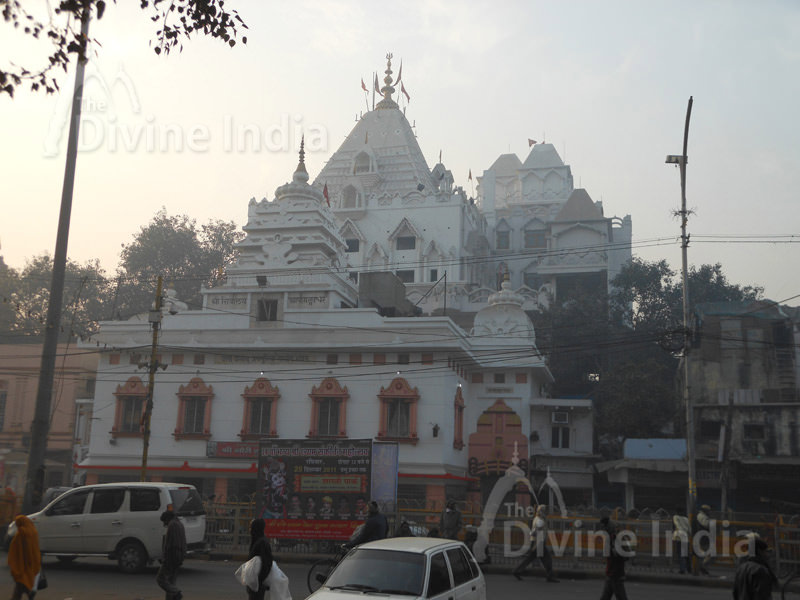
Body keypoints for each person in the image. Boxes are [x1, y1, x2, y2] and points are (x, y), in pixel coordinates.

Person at [512, 505, 559, 583]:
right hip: (539, 542)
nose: (546, 512)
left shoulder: (538, 519)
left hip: (538, 542)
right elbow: (535, 532)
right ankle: (549, 576)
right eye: (544, 510)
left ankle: (517, 571)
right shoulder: (540, 520)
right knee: (547, 559)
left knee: (532, 559)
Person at [7, 515, 41, 600]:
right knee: (25, 583)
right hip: (32, 563)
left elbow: (16, 550)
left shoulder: (21, 533)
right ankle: (29, 593)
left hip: (21, 565)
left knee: (21, 584)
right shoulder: (34, 532)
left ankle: (29, 593)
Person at [156, 510, 187, 600]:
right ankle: (172, 596)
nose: (164, 524)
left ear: (167, 519)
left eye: (164, 522)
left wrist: (165, 558)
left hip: (171, 557)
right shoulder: (180, 524)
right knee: (171, 581)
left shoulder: (172, 525)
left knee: (160, 579)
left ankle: (176, 592)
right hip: (179, 557)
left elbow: (170, 545)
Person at [599, 517, 629, 600]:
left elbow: (626, 555)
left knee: (620, 597)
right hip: (612, 573)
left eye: (604, 528)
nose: (602, 530)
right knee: (606, 596)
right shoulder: (611, 538)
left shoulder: (616, 538)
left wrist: (617, 552)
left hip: (615, 574)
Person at [246, 518, 274, 600]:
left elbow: (266, 564)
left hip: (258, 584)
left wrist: (258, 581)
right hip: (254, 583)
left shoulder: (262, 543)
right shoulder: (258, 541)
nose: (249, 530)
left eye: (251, 527)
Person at [695, 504, 714, 575]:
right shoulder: (701, 516)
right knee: (707, 552)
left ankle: (702, 567)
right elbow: (706, 524)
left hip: (704, 536)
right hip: (702, 536)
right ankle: (702, 566)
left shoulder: (703, 516)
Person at [672, 507, 690, 574]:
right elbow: (689, 529)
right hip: (686, 537)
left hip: (679, 536)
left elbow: (677, 525)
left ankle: (682, 569)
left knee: (680, 554)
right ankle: (689, 569)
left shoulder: (675, 517)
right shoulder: (686, 519)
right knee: (686, 554)